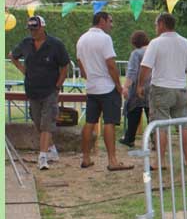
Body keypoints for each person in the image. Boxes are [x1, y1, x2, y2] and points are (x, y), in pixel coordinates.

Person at [137, 13, 187, 169]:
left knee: (160, 126)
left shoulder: (155, 43)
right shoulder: (186, 42)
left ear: (162, 24)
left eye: (156, 25)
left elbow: (146, 67)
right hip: (180, 89)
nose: (155, 28)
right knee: (184, 126)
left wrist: (140, 85)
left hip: (161, 89)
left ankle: (160, 161)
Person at [8, 16, 70, 170]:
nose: (33, 32)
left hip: (50, 90)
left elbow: (65, 66)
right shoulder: (25, 43)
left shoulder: (56, 44)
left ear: (42, 27)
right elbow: (12, 56)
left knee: (46, 123)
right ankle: (52, 149)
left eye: (35, 29)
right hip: (32, 90)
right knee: (38, 122)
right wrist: (24, 71)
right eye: (30, 29)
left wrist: (58, 86)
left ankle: (42, 157)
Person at [76, 12, 133, 171]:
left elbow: (80, 64)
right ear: (102, 21)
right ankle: (112, 160)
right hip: (107, 87)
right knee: (109, 122)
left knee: (89, 122)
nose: (111, 25)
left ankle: (85, 158)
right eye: (110, 21)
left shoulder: (81, 39)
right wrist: (118, 85)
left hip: (91, 87)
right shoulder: (105, 38)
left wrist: (89, 77)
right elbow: (111, 65)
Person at [119, 31, 151, 148]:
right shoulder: (153, 51)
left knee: (133, 113)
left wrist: (126, 87)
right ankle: (156, 140)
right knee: (151, 114)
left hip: (138, 88)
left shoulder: (136, 54)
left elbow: (132, 72)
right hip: (152, 87)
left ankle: (129, 138)